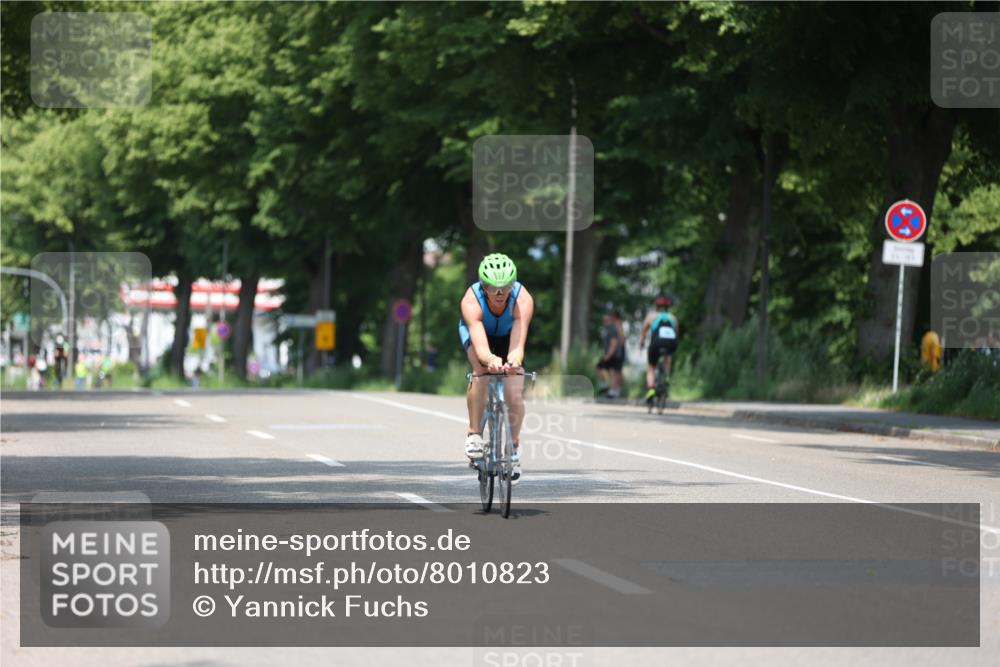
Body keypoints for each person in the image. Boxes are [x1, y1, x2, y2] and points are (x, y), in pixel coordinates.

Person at [458, 253, 534, 482]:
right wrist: (489, 359)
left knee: (514, 389)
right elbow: (482, 348)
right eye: (493, 288)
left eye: (506, 287)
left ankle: (514, 446)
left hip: (509, 335)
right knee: (481, 371)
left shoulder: (523, 299)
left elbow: (517, 347)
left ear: (514, 284)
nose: (500, 294)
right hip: (479, 333)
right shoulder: (471, 300)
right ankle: (474, 434)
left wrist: (514, 360)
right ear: (483, 286)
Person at [638, 295, 679, 404]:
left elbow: (643, 333)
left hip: (656, 344)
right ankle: (666, 377)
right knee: (668, 356)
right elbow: (676, 334)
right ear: (668, 307)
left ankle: (651, 389)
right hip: (671, 344)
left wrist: (641, 344)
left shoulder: (651, 316)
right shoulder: (673, 317)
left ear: (656, 305)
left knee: (651, 366)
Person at [596, 311, 625, 398]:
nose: (604, 321)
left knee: (614, 372)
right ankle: (611, 388)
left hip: (615, 354)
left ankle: (614, 390)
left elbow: (615, 342)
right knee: (612, 371)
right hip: (613, 353)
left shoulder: (615, 327)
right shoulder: (609, 328)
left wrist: (609, 354)